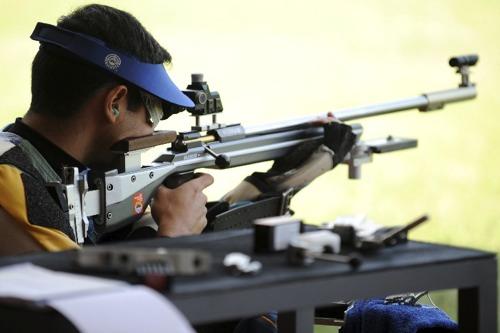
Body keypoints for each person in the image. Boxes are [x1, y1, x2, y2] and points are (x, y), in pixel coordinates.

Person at [0, 4, 213, 255]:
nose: (152, 129)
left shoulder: (42, 166)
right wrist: (176, 234)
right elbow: (82, 291)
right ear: (114, 104)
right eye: (155, 112)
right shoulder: (13, 185)